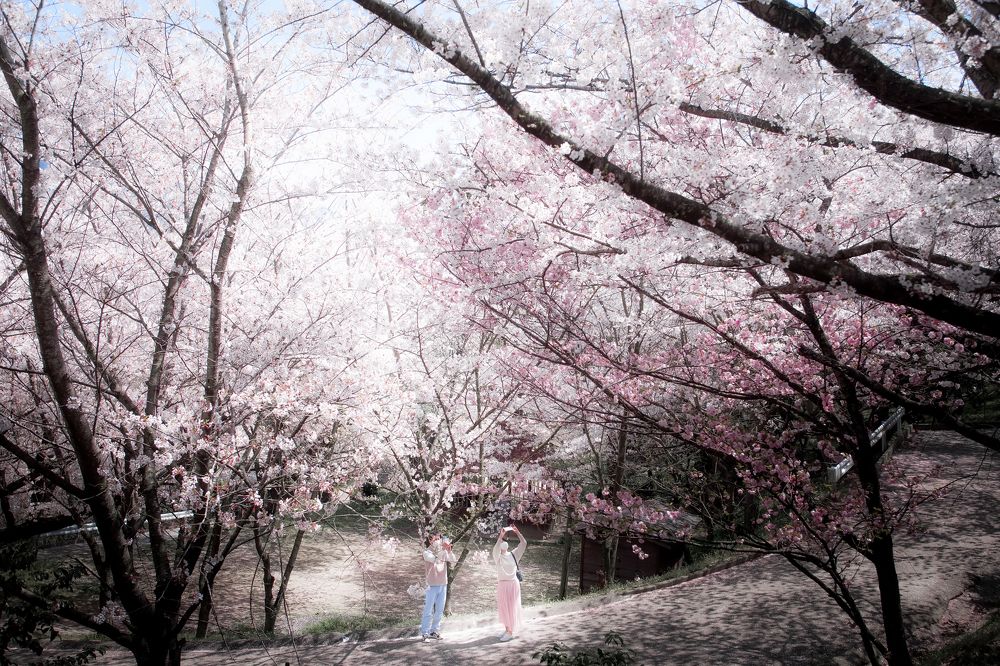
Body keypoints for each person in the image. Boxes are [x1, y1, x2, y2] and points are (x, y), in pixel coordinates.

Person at [420, 532, 457, 642]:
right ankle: (425, 633)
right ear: (431, 541)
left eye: (439, 539)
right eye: (436, 539)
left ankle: (434, 631)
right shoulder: (426, 552)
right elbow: (435, 559)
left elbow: (453, 560)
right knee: (428, 610)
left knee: (439, 610)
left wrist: (449, 550)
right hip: (431, 585)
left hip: (443, 584)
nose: (438, 541)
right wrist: (443, 550)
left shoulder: (443, 551)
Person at [491, 524, 526, 642]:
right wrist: (501, 536)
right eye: (502, 542)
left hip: (513, 584)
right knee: (504, 608)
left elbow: (524, 543)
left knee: (512, 607)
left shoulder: (513, 554)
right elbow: (495, 549)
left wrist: (517, 532)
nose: (504, 543)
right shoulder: (498, 557)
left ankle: (510, 631)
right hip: (503, 585)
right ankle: (507, 629)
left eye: (505, 541)